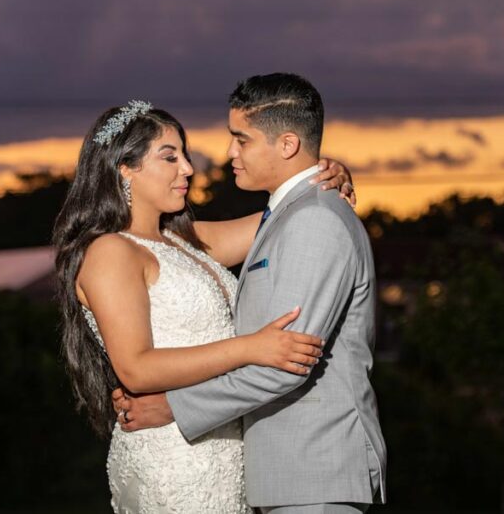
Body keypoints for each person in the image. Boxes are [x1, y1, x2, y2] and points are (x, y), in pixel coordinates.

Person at [52, 100, 356, 513]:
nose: (188, 169)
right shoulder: (110, 251)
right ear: (125, 168)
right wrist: (250, 348)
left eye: (185, 155)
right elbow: (136, 368)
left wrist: (322, 174)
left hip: (223, 447)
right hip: (171, 455)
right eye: (169, 156)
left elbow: (284, 213)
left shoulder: (185, 240)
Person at [115, 75, 387, 513]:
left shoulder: (312, 220)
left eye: (241, 139)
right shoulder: (279, 219)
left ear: (286, 145)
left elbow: (287, 360)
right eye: (170, 157)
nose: (225, 154)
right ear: (123, 169)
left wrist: (175, 408)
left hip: (311, 468)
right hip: (262, 467)